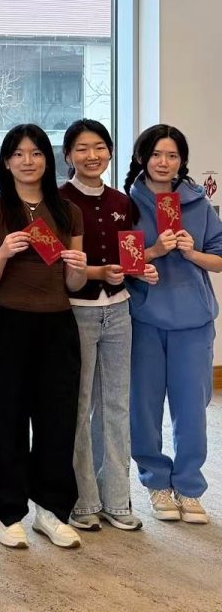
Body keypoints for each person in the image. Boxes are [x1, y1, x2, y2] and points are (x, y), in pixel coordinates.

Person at [0, 124, 87, 550]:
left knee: (58, 416)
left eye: (36, 153)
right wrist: (4, 251)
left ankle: (52, 510)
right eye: (18, 153)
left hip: (58, 322)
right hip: (8, 321)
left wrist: (76, 266)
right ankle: (7, 510)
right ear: (6, 161)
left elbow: (74, 283)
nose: (27, 160)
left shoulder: (67, 211)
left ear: (47, 159)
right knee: (6, 416)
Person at [59, 120, 156, 531]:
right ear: (68, 156)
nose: (92, 155)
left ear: (111, 152)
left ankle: (117, 498)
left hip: (119, 310)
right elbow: (58, 263)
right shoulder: (58, 201)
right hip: (75, 310)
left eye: (99, 147)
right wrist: (101, 272)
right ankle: (82, 500)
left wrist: (142, 267)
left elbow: (130, 256)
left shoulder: (122, 200)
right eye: (82, 148)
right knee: (80, 407)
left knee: (117, 405)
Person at [123, 124, 222, 524]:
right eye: (157, 155)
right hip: (145, 317)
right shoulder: (125, 204)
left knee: (192, 407)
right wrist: (151, 255)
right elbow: (124, 265)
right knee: (144, 406)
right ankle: (156, 481)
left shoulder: (199, 203)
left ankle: (189, 485)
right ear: (142, 158)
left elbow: (219, 257)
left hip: (193, 320)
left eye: (173, 156)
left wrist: (192, 253)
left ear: (182, 161)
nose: (164, 163)